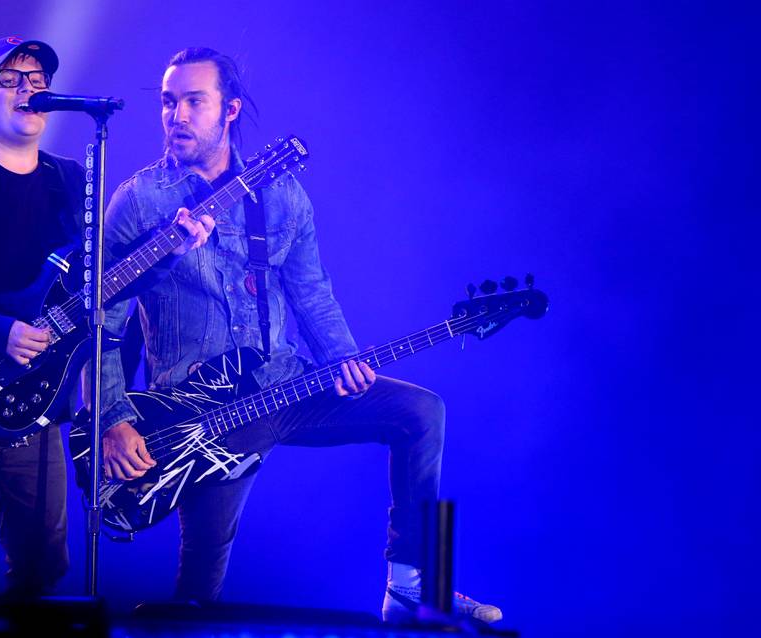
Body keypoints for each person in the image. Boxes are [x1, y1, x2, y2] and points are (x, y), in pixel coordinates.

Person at [94, 48, 502, 623]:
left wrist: (344, 360)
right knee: (198, 598)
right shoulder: (139, 201)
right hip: (199, 417)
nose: (175, 115)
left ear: (229, 110)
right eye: (167, 101)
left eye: (193, 101)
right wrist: (112, 419)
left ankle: (414, 584)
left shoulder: (281, 195)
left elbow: (312, 293)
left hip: (285, 386)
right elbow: (103, 321)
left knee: (420, 412)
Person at [0, 35, 214, 595]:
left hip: (32, 395)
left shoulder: (70, 181)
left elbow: (99, 289)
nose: (28, 90)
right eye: (10, 80)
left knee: (44, 559)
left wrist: (168, 254)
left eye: (37, 80)